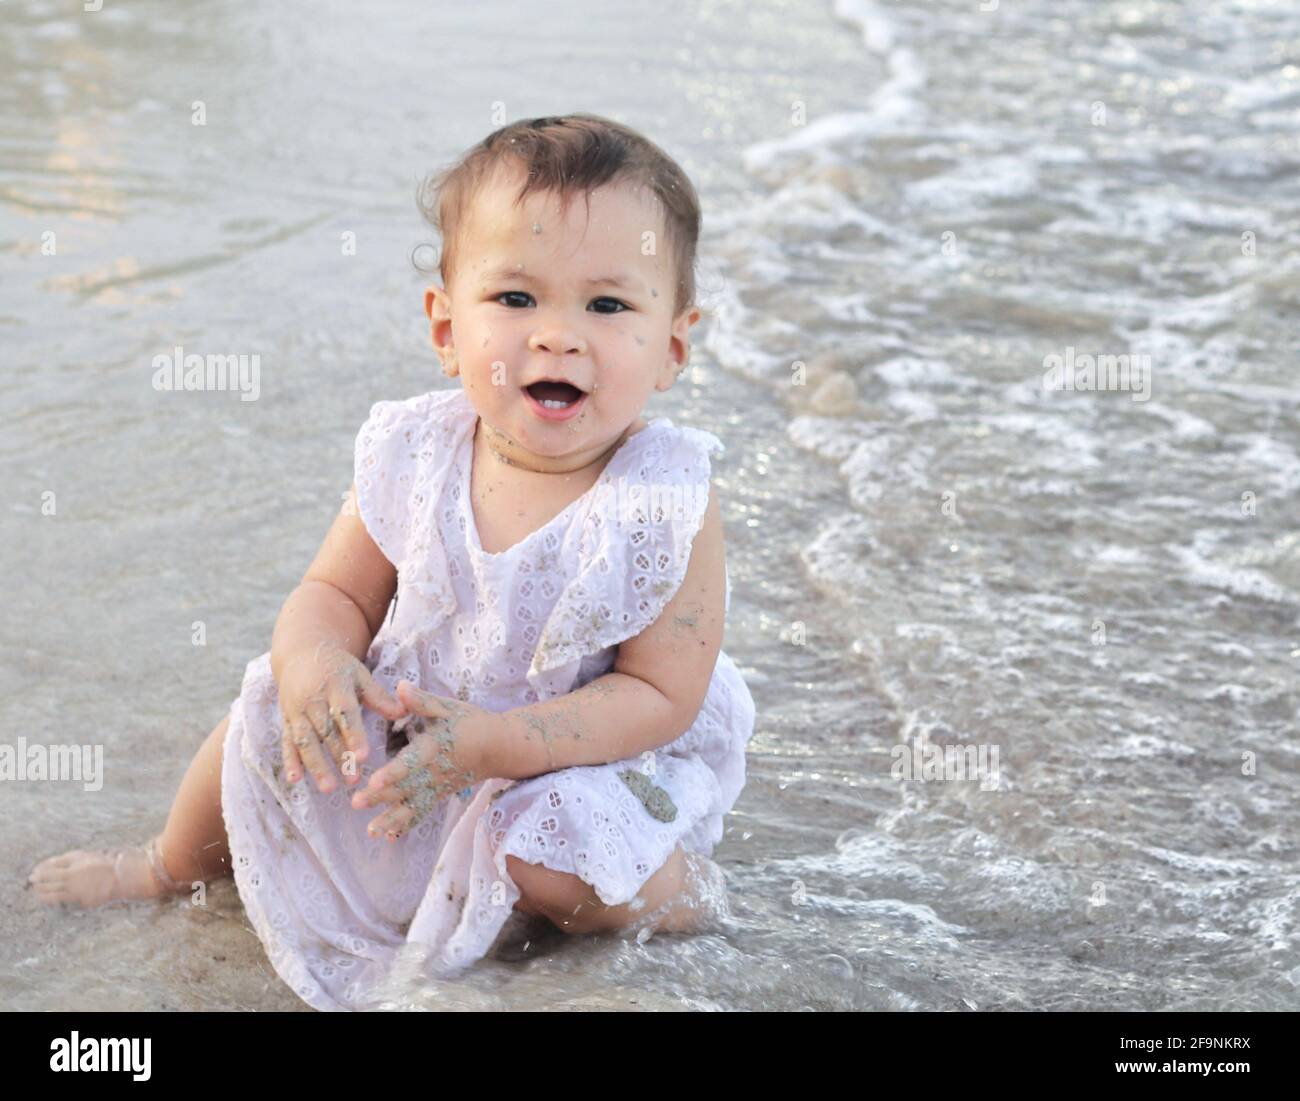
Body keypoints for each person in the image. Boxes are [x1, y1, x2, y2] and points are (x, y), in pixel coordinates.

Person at [29, 113, 757, 1012]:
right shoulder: (419, 452)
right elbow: (334, 592)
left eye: (607, 305)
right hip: (413, 737)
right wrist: (317, 661)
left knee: (558, 852)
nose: (559, 335)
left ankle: (670, 893)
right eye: (517, 300)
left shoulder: (665, 496)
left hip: (578, 760)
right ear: (446, 328)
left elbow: (660, 696)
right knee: (261, 717)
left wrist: (499, 745)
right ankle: (166, 862)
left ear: (673, 345)